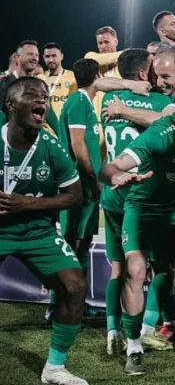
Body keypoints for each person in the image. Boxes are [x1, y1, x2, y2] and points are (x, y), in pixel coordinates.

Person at [99, 81, 175, 375]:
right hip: (145, 210)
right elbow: (110, 167)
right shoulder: (160, 136)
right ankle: (134, 347)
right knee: (135, 270)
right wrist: (116, 175)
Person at [0, 77, 86, 384]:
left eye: (45, 97)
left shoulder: (51, 145)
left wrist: (26, 205)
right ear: (11, 105)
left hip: (39, 231)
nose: (42, 102)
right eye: (33, 96)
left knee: (74, 286)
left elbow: (75, 195)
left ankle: (54, 368)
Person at [99, 48, 174, 355]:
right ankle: (145, 329)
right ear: (144, 73)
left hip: (111, 195)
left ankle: (112, 330)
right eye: (153, 70)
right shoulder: (159, 101)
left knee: (118, 269)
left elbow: (98, 83)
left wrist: (123, 101)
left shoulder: (108, 101)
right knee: (164, 267)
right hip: (142, 197)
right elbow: (169, 121)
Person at [56, 59, 102, 284]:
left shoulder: (84, 102)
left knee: (83, 242)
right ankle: (60, 301)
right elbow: (78, 144)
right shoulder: (78, 101)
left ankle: (78, 300)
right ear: (98, 77)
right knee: (71, 242)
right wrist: (93, 177)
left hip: (89, 188)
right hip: (79, 185)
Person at [38, 43, 78, 118]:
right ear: (43, 58)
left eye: (54, 56)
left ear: (61, 56)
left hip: (66, 124)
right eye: (47, 56)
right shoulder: (40, 79)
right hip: (47, 126)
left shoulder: (73, 76)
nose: (50, 59)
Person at [0, 40, 41, 108]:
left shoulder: (39, 85)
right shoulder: (3, 83)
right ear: (17, 57)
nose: (34, 58)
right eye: (30, 54)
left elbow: (49, 114)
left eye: (37, 55)